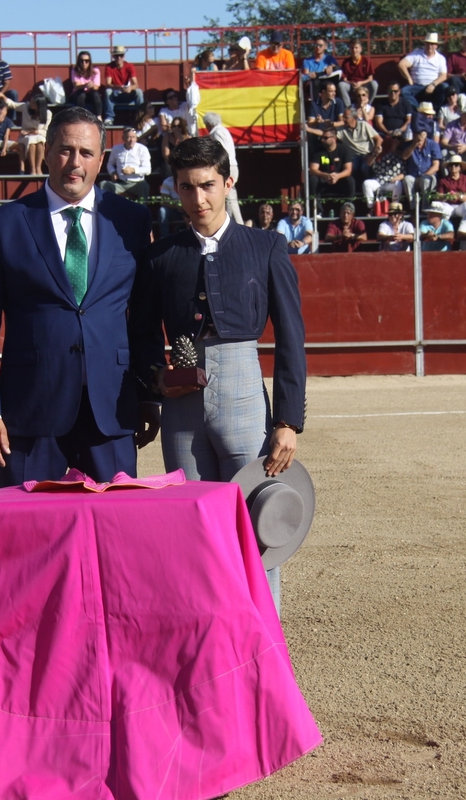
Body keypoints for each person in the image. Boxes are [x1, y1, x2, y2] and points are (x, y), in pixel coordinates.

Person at [130, 135, 306, 613]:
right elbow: (141, 335)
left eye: (207, 185)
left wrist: (288, 421)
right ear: (175, 189)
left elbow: (291, 337)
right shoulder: (161, 256)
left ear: (228, 183)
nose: (198, 199)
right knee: (190, 528)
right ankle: (205, 637)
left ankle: (264, 642)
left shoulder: (265, 246)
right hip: (182, 406)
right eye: (186, 188)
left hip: (245, 393)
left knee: (258, 524)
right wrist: (153, 386)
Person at [0, 106, 159, 487]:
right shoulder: (3, 224)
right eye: (66, 150)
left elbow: (144, 320)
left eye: (86, 153)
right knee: (30, 535)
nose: (75, 163)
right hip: (30, 410)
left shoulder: (132, 221)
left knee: (112, 531)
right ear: (48, 151)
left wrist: (149, 395)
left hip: (112, 409)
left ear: (101, 160)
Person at [203, 111, 243, 224]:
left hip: (227, 166)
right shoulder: (224, 130)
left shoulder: (217, 133)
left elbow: (222, 152)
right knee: (229, 196)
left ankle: (238, 224)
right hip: (232, 165)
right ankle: (230, 223)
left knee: (230, 197)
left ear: (208, 123)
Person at [0, 93, 51, 175]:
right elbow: (13, 105)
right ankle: (33, 169)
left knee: (40, 140)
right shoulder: (25, 107)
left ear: (38, 105)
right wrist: (3, 96)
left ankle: (38, 167)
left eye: (33, 103)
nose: (30, 103)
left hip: (39, 136)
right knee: (32, 140)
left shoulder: (47, 114)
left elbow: (46, 130)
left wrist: (33, 132)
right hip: (25, 137)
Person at [398, 32, 448, 111]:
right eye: (428, 43)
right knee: (404, 91)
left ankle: (435, 110)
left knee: (445, 87)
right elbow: (401, 64)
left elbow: (443, 76)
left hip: (434, 87)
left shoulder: (440, 58)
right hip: (417, 86)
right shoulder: (416, 54)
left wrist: (433, 85)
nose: (430, 46)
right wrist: (409, 78)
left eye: (432, 44)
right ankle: (417, 109)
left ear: (436, 46)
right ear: (425, 44)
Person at [100, 126, 151, 199]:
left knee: (144, 185)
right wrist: (113, 172)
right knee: (103, 184)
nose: (131, 140)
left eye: (133, 137)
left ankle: (143, 208)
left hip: (136, 183)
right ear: (123, 138)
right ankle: (105, 209)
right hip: (120, 183)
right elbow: (110, 163)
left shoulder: (142, 149)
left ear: (136, 138)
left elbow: (148, 170)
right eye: (129, 137)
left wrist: (133, 170)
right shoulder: (116, 148)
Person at [308, 128, 355, 207]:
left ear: (334, 138)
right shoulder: (317, 151)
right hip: (323, 179)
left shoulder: (344, 149)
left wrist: (337, 176)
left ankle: (348, 207)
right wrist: (326, 175)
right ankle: (317, 210)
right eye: (321, 138)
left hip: (339, 179)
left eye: (325, 138)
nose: (322, 140)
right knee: (313, 180)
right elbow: (313, 170)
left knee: (350, 180)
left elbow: (348, 170)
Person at [103, 45, 144, 126]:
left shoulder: (129, 66)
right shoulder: (109, 67)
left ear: (124, 56)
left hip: (127, 93)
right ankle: (109, 117)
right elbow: (108, 84)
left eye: (121, 55)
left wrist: (130, 88)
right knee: (108, 91)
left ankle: (141, 117)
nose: (119, 58)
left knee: (139, 92)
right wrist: (119, 87)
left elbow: (136, 84)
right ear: (113, 56)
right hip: (115, 94)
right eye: (116, 55)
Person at [362, 134, 405, 211]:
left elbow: (404, 172)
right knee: (366, 183)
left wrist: (397, 177)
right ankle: (372, 208)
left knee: (398, 184)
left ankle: (394, 207)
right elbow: (369, 163)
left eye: (398, 139)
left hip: (391, 182)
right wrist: (376, 154)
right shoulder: (381, 152)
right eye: (393, 138)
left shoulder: (401, 155)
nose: (395, 140)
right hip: (378, 180)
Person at [402, 129, 441, 209]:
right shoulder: (408, 145)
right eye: (416, 133)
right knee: (407, 179)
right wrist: (414, 144)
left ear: (425, 135)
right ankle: (413, 208)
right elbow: (404, 157)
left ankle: (425, 208)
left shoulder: (433, 145)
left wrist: (423, 176)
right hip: (413, 177)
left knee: (425, 180)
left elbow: (436, 166)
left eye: (420, 134)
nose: (418, 136)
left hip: (428, 176)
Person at [339, 39, 378, 108]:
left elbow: (370, 78)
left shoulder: (366, 61)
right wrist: (351, 82)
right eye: (352, 48)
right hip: (351, 86)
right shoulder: (346, 62)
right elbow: (344, 79)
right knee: (341, 85)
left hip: (363, 85)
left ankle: (367, 106)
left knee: (374, 84)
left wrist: (361, 83)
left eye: (356, 48)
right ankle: (349, 108)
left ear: (360, 49)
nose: (354, 50)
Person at [302, 36, 340, 100]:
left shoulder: (330, 59)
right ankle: (315, 106)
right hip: (313, 85)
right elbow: (304, 76)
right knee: (315, 82)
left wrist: (331, 67)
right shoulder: (307, 61)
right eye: (316, 45)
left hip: (326, 84)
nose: (318, 47)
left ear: (325, 46)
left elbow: (337, 70)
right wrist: (310, 75)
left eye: (320, 45)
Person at [69, 51, 102, 119]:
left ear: (90, 62)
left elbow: (97, 87)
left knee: (95, 94)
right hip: (78, 93)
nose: (84, 63)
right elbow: (76, 86)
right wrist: (85, 85)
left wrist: (92, 86)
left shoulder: (95, 70)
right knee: (81, 95)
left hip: (91, 93)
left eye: (86, 61)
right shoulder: (75, 70)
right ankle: (80, 117)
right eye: (82, 61)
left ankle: (98, 117)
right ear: (79, 62)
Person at [436, 154, 466, 219]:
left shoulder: (465, 179)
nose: (453, 167)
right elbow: (439, 196)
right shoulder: (443, 181)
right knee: (442, 209)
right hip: (448, 205)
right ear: (448, 167)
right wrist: (447, 196)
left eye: (456, 165)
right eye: (451, 165)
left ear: (460, 167)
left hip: (461, 205)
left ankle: (462, 229)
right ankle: (447, 228)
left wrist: (459, 196)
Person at [446, 31, 466, 96]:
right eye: (465, 39)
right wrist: (460, 76)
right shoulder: (454, 56)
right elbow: (447, 74)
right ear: (462, 41)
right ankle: (455, 103)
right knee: (454, 79)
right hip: (459, 82)